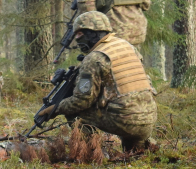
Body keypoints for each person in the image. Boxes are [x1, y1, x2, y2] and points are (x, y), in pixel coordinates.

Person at [41, 11, 158, 152]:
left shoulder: (94, 58)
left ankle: (91, 152)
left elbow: (81, 101)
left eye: (79, 34)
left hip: (124, 121)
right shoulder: (126, 46)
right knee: (124, 105)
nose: (77, 39)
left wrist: (57, 108)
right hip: (149, 117)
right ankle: (137, 149)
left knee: (76, 113)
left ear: (92, 33)